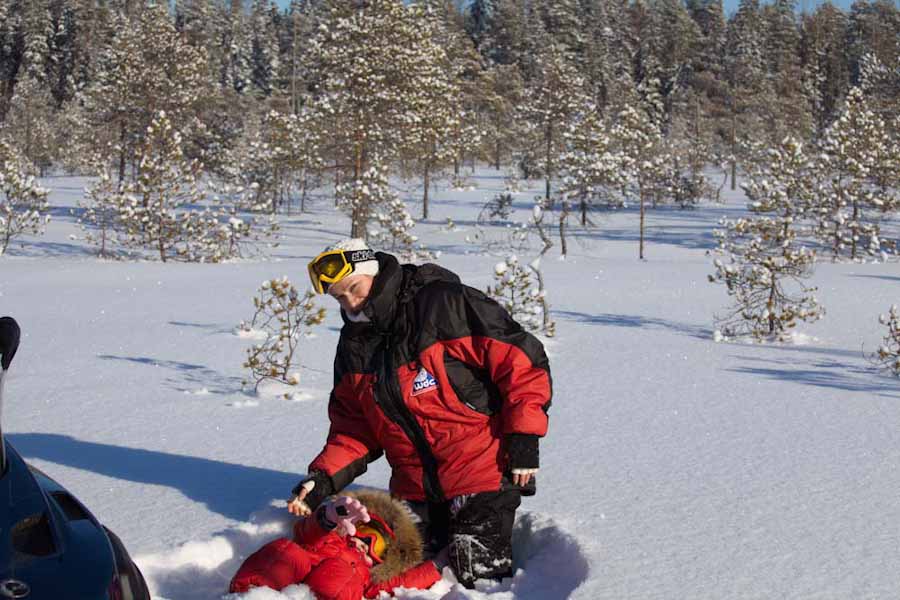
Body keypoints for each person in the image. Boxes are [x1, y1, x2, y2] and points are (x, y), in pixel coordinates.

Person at [290, 238, 552, 588]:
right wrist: (323, 478)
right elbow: (354, 427)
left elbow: (521, 363)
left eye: (354, 288)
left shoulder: (442, 304)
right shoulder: (354, 345)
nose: (351, 303)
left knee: (474, 577)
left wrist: (524, 435)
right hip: (414, 488)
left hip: (481, 470)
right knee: (390, 575)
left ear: (372, 272)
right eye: (340, 297)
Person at [230, 490, 441, 599]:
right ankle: (251, 593)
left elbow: (402, 581)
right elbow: (306, 531)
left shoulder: (368, 576)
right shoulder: (329, 538)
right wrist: (328, 517)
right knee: (286, 550)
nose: (366, 543)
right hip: (297, 571)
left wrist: (438, 565)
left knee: (342, 575)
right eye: (366, 532)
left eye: (376, 546)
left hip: (331, 588)